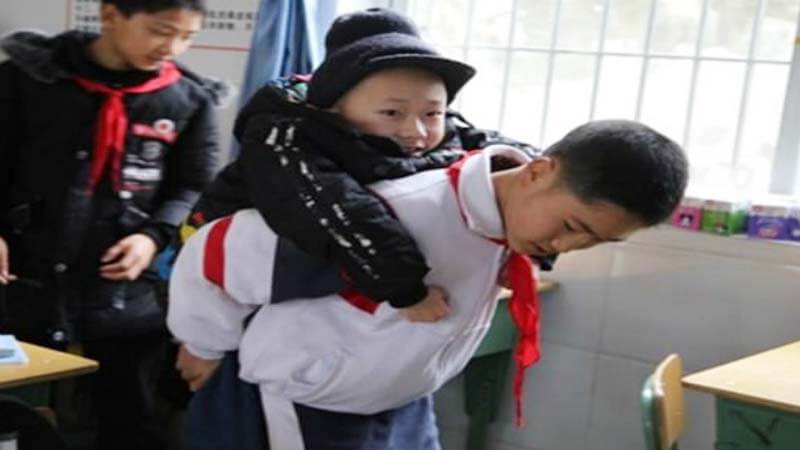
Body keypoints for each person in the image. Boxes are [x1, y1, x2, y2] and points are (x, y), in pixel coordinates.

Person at [168, 119, 689, 449]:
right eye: (573, 227)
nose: (567, 249)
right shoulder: (399, 214)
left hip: (401, 399)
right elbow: (217, 253)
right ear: (538, 172)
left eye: (594, 243)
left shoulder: (499, 221)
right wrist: (204, 342)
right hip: (308, 406)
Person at [177, 7, 546, 327]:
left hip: (307, 297)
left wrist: (538, 237)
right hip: (212, 276)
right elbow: (335, 211)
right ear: (334, 107)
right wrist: (406, 290)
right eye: (391, 112)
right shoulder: (285, 137)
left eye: (432, 112)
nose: (415, 130)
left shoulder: (439, 129)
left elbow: (521, 162)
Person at [0, 0, 223, 448]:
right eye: (161, 30)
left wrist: (152, 236)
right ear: (110, 15)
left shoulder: (188, 100)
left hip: (121, 291)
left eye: (187, 36)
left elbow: (193, 186)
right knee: (15, 411)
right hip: (22, 278)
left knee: (127, 416)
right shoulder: (26, 80)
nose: (172, 47)